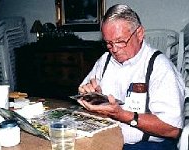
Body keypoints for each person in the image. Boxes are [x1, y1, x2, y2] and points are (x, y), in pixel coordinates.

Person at [77, 4, 185, 150]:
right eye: (108, 43)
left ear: (139, 33)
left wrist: (122, 115)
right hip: (106, 139)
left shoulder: (160, 67)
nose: (114, 49)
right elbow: (83, 93)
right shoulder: (105, 60)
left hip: (145, 145)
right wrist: (90, 95)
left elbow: (173, 129)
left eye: (121, 42)